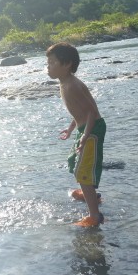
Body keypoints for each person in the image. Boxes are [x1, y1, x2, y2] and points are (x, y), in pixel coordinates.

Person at [46, 42, 106, 227]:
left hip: (93, 129)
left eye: (52, 63)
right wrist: (72, 128)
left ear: (67, 65)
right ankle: (88, 193)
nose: (48, 67)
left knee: (84, 170)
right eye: (47, 63)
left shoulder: (73, 85)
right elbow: (78, 112)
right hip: (84, 128)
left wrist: (85, 135)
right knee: (75, 162)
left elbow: (90, 112)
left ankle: (94, 215)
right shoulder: (64, 83)